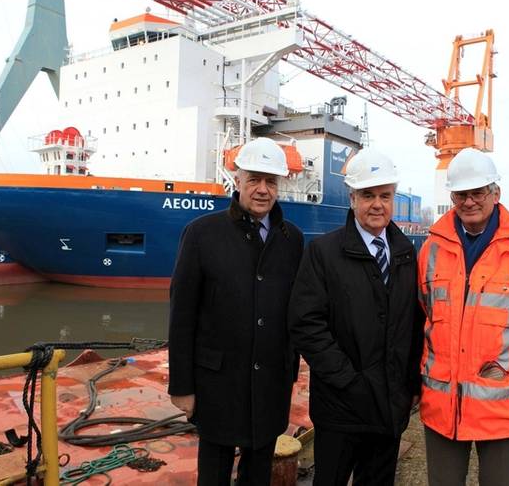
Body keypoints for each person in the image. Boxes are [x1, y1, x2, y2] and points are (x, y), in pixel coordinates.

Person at [417, 149, 509, 485]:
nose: (469, 202)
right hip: (444, 407)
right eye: (461, 194)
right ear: (452, 196)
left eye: (478, 192)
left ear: (496, 193)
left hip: (505, 410)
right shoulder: (431, 250)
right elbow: (427, 310)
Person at [168, 137, 304, 485]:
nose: (262, 189)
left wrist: (290, 370)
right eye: (254, 179)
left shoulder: (293, 240)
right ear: (238, 181)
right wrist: (182, 386)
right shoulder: (201, 234)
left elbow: (296, 310)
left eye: (270, 181)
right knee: (213, 474)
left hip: (271, 383)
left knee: (257, 474)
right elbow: (182, 314)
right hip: (217, 383)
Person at [288, 151, 424, 485]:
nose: (377, 204)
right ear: (352, 199)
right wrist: (348, 381)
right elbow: (306, 324)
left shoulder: (406, 252)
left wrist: (411, 383)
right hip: (340, 408)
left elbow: (414, 323)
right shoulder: (323, 253)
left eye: (384, 196)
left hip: (390, 407)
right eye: (368, 195)